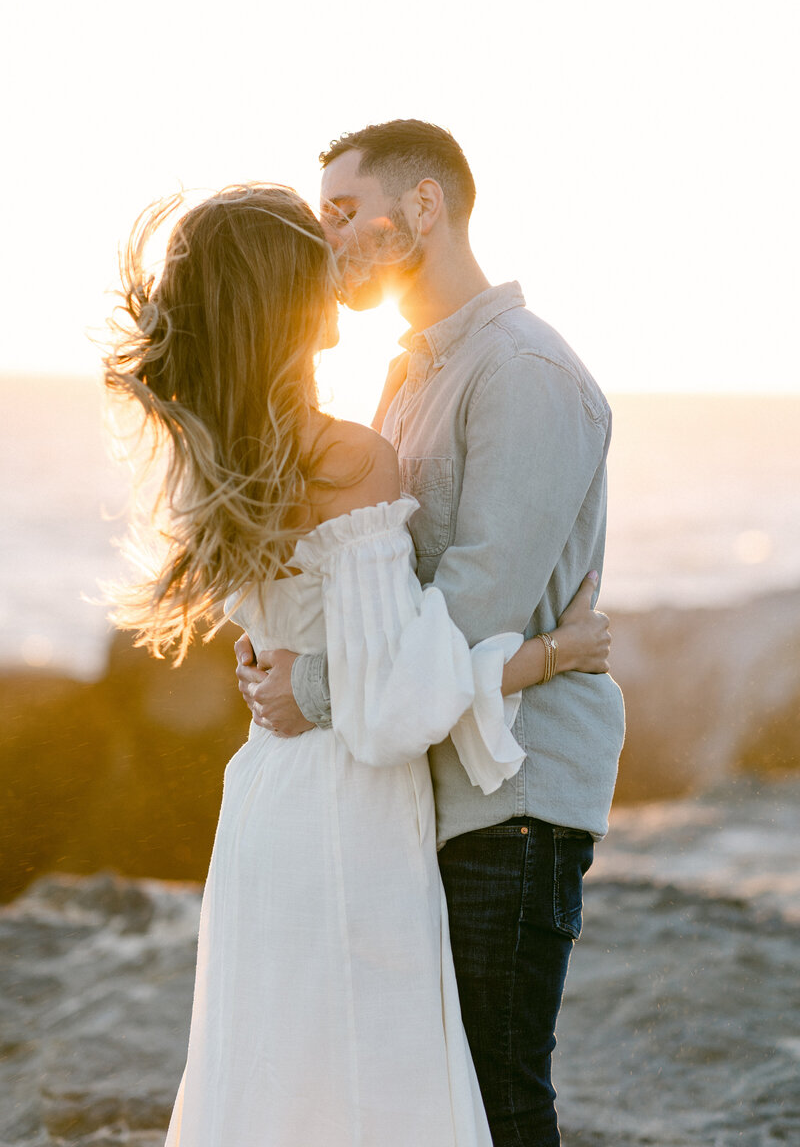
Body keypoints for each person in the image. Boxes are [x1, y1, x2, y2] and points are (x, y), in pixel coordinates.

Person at [103, 182, 612, 1147]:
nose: (339, 260)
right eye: (318, 240)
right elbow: (389, 707)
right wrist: (551, 654)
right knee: (375, 1089)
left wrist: (303, 681)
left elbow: (329, 667)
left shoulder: (217, 458)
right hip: (349, 807)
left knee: (275, 1078)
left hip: (261, 800)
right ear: (291, 295)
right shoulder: (348, 459)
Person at [235, 120, 626, 1146]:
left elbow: (465, 610)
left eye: (342, 213)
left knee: (497, 1095)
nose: (327, 243)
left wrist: (310, 686)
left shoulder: (522, 372)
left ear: (423, 207)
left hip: (515, 789)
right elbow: (373, 580)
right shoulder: (411, 370)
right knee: (429, 1096)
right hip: (429, 781)